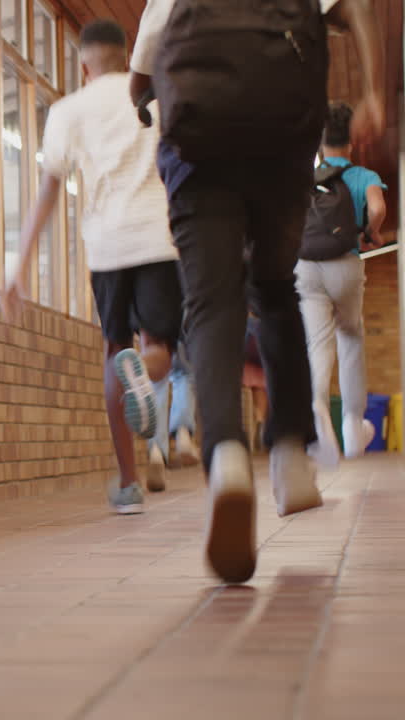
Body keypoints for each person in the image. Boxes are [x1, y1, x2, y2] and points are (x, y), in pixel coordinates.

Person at [130, 0, 385, 583]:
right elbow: (358, 9)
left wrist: (144, 102)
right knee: (275, 291)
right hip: (280, 145)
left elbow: (144, 68)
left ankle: (226, 458)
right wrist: (373, 93)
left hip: (197, 148)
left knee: (212, 304)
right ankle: (292, 455)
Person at [2, 19, 181, 515]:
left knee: (112, 350)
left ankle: (127, 486)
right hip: (157, 238)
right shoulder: (153, 98)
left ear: (84, 65)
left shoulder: (66, 111)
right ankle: (142, 375)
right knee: (159, 349)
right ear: (127, 57)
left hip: (106, 247)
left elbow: (48, 193)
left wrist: (18, 264)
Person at [299, 102, 388, 466]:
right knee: (351, 336)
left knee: (318, 344)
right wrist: (372, 231)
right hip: (346, 265)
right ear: (349, 143)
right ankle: (353, 427)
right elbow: (378, 207)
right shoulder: (362, 175)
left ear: (320, 143)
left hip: (306, 266)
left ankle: (318, 410)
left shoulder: (305, 176)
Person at [148, 346, 199, 491]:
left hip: (153, 325)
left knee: (157, 381)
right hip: (180, 326)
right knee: (184, 374)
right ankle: (182, 431)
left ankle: (156, 452)